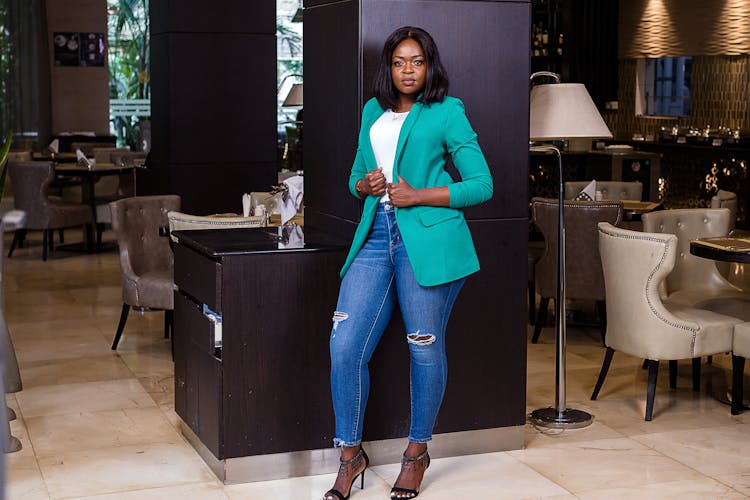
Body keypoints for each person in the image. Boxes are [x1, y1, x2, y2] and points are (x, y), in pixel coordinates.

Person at [324, 26, 493, 500]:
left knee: (423, 347)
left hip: (429, 243)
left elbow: (482, 185)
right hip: (375, 236)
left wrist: (419, 194)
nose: (407, 70)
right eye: (399, 62)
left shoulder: (447, 111)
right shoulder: (372, 111)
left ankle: (416, 454)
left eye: (416, 61)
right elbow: (355, 176)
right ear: (389, 67)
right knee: (345, 348)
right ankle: (349, 455)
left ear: (429, 64)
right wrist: (365, 185)